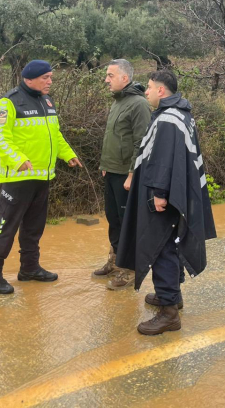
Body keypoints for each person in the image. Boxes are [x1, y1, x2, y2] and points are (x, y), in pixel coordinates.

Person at [116, 70, 216, 335]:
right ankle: (171, 295)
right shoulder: (179, 113)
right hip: (175, 192)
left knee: (160, 247)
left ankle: (169, 313)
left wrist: (159, 194)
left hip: (164, 194)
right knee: (170, 243)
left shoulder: (169, 118)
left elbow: (163, 160)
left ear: (161, 90)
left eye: (149, 87)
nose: (146, 92)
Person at [0, 60, 82, 294]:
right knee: (6, 227)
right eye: (45, 77)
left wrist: (68, 154)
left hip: (42, 177)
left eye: (51, 77)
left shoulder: (47, 101)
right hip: (17, 179)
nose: (50, 82)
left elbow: (55, 135)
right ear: (29, 79)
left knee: (33, 228)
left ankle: (29, 268)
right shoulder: (8, 103)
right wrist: (17, 159)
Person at [94, 59, 152, 289]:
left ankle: (130, 269)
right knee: (113, 218)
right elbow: (115, 137)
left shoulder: (139, 104)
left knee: (128, 222)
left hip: (126, 175)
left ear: (124, 78)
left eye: (110, 75)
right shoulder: (118, 101)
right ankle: (116, 260)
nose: (106, 80)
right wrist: (105, 165)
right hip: (111, 171)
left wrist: (132, 174)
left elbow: (141, 143)